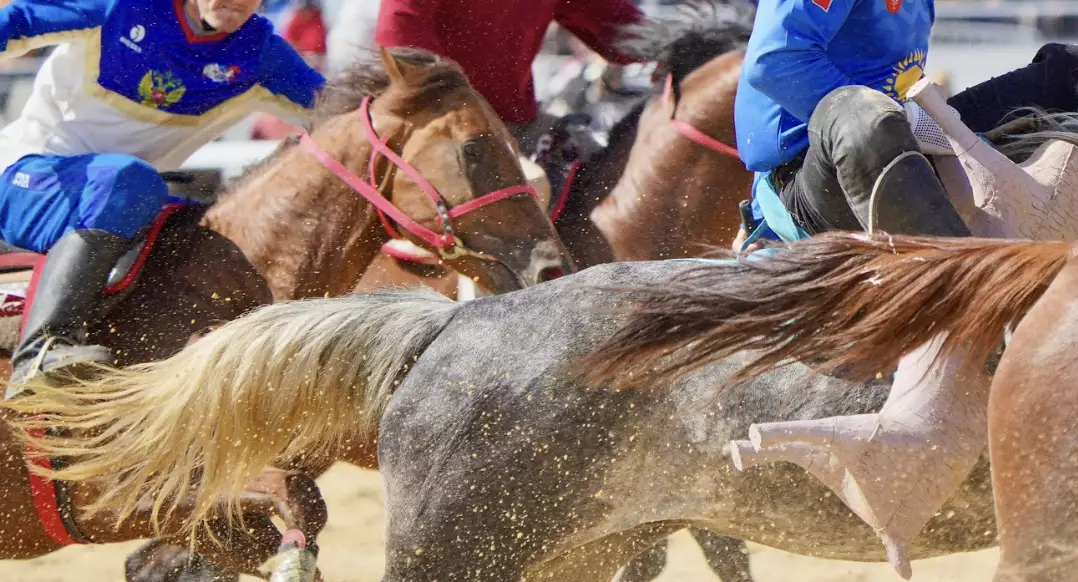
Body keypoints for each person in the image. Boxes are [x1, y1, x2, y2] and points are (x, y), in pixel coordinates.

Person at [0, 0, 324, 397]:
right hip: (26, 179)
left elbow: (349, 115)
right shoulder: (119, 7)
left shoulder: (260, 54)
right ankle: (41, 351)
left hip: (128, 199)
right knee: (129, 179)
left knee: (210, 232)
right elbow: (14, 21)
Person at [737, 0, 1078, 243]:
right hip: (820, 176)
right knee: (870, 118)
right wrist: (906, 120)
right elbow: (775, 62)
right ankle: (972, 298)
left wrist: (920, 122)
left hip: (906, 135)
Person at [373, 0, 644, 155]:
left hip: (516, 126)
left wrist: (677, 44)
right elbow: (400, 38)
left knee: (607, 175)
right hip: (428, 128)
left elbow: (620, 27)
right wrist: (460, 114)